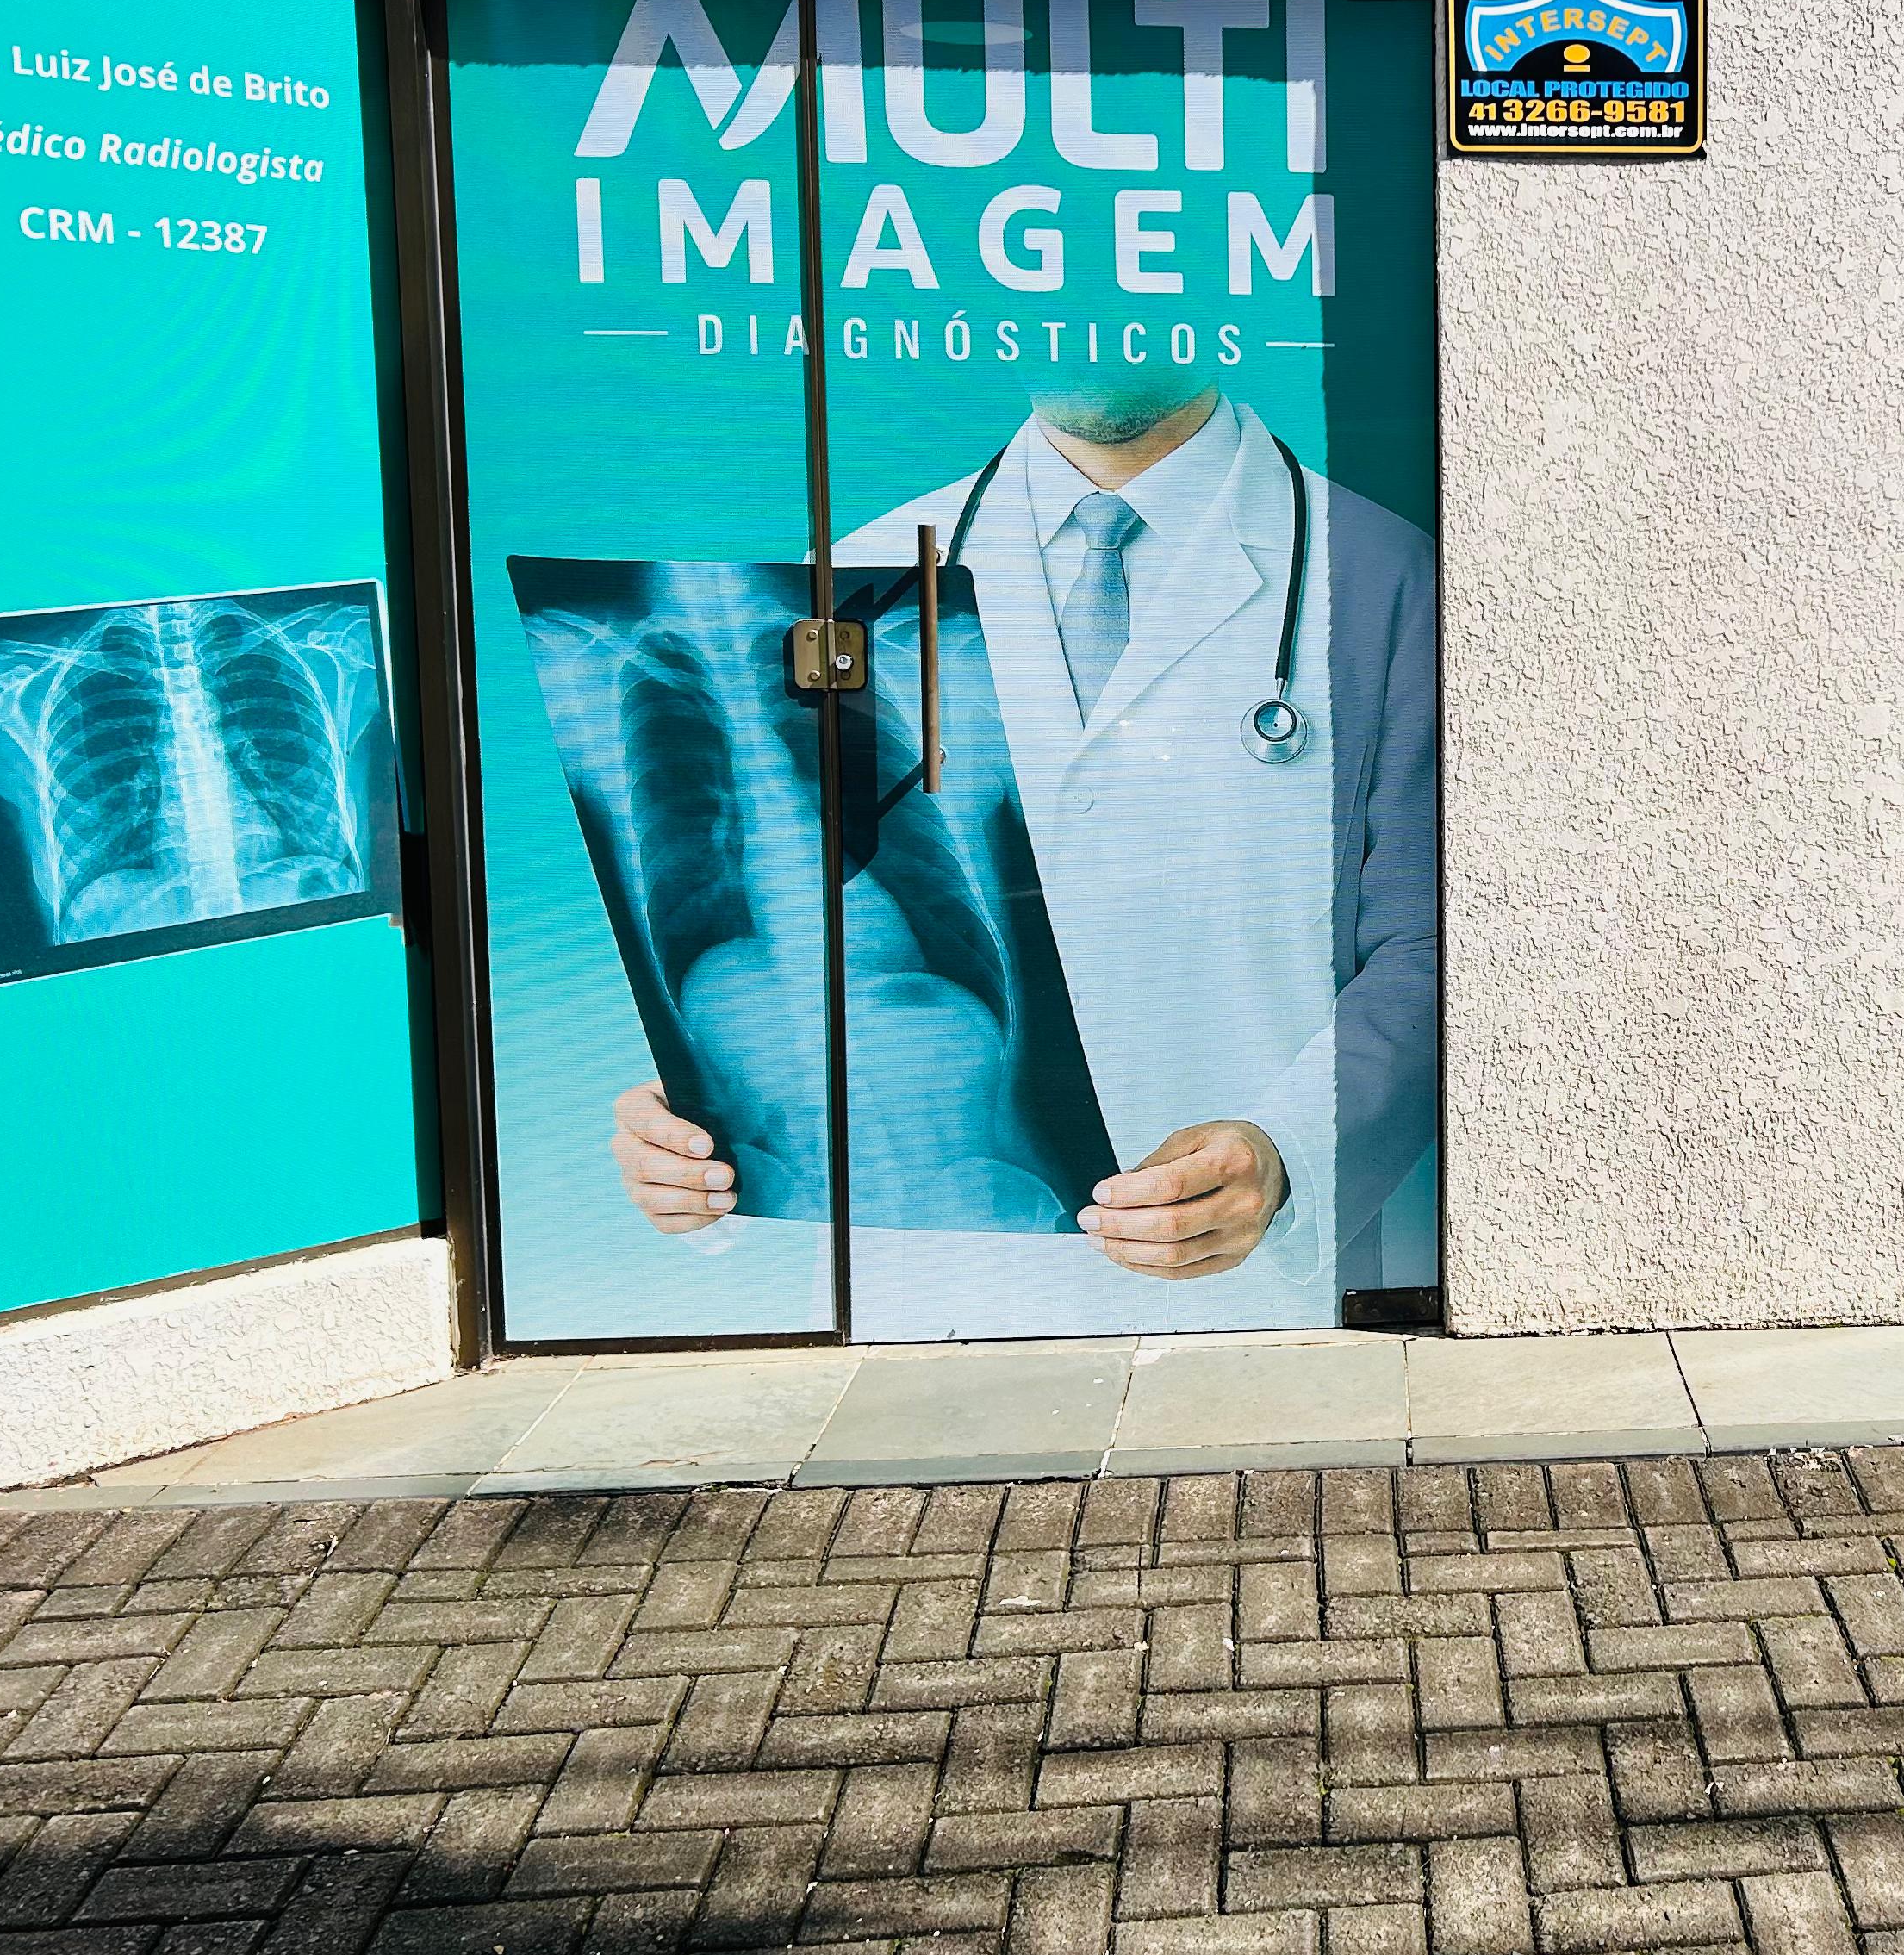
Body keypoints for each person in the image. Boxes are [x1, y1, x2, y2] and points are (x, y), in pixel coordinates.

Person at [604, 356, 1437, 1328]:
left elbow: (1435, 944)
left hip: (1258, 1290)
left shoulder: (1380, 573)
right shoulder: (857, 579)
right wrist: (699, 1134)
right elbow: (815, 947)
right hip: (940, 1297)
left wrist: (1291, 1151)